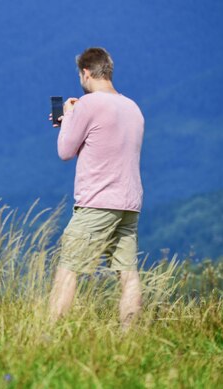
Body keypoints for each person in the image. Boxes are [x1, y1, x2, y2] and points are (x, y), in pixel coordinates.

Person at [48, 47, 144, 328]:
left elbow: (65, 151)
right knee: (128, 273)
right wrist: (75, 121)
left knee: (69, 267)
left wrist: (69, 117)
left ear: (86, 72)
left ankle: (51, 334)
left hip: (97, 202)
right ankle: (130, 337)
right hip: (129, 203)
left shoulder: (88, 105)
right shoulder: (133, 107)